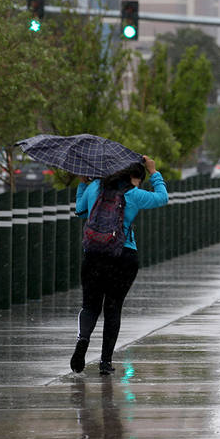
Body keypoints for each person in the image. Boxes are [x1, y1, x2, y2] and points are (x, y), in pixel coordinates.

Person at [71, 156, 168, 376]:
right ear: (133, 177)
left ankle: (83, 340)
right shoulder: (133, 194)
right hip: (123, 256)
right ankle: (105, 362)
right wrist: (153, 171)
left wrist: (83, 183)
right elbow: (162, 198)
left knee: (90, 306)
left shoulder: (96, 185)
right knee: (113, 308)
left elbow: (80, 210)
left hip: (94, 256)